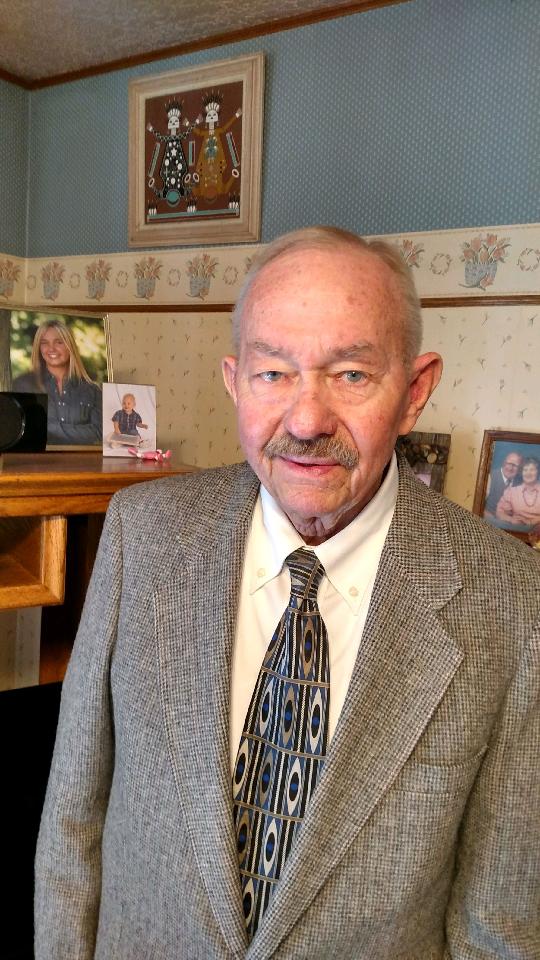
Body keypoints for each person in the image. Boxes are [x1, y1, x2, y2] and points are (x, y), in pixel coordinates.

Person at [35, 227, 539, 959]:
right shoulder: (142, 535)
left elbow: (501, 930)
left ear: (415, 391)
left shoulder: (513, 600)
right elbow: (72, 824)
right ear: (235, 381)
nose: (306, 421)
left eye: (351, 375)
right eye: (273, 373)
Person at [13, 319, 102, 445]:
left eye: (59, 342)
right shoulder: (23, 384)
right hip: (36, 458)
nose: (51, 349)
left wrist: (45, 426)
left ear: (70, 346)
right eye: (44, 343)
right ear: (38, 347)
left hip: (80, 458)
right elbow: (22, 429)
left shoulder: (92, 389)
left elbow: (98, 433)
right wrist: (79, 432)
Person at [496, 455, 540, 529]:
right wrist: (511, 520)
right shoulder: (512, 491)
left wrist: (531, 522)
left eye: (532, 470)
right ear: (521, 473)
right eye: (525, 470)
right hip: (517, 529)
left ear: (538, 472)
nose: (528, 473)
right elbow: (499, 512)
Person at [483, 449, 523, 517]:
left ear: (519, 468)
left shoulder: (520, 482)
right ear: (504, 463)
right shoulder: (490, 476)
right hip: (490, 519)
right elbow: (478, 506)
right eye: (509, 463)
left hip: (510, 520)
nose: (510, 468)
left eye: (515, 465)